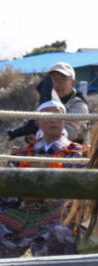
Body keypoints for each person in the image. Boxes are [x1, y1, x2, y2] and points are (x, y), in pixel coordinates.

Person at [0, 96, 85, 258]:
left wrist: (50, 177)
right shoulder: (22, 154)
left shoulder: (78, 153)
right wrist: (25, 181)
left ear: (65, 120)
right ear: (38, 121)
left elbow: (83, 192)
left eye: (58, 114)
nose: (53, 119)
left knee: (60, 232)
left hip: (58, 214)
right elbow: (5, 192)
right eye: (47, 114)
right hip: (22, 212)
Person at [6, 63, 89, 145]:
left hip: (71, 151)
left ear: (73, 83)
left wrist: (40, 136)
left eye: (62, 79)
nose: (57, 84)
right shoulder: (47, 103)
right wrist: (30, 135)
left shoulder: (79, 105)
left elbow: (71, 132)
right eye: (53, 79)